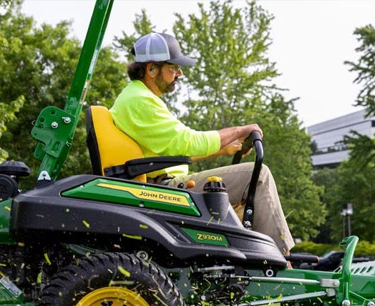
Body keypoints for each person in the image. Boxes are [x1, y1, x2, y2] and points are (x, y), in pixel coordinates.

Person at [109, 32, 294, 255]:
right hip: (163, 188)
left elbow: (173, 152)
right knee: (259, 176)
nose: (180, 73)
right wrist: (241, 130)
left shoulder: (136, 97)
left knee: (246, 201)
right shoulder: (141, 101)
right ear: (151, 69)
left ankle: (252, 263)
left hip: (158, 182)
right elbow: (189, 142)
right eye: (174, 68)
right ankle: (283, 262)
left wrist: (223, 149)